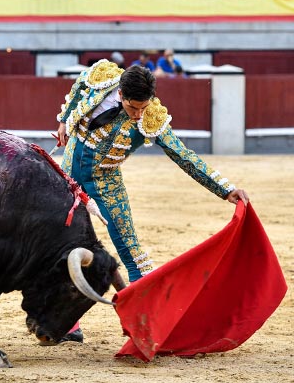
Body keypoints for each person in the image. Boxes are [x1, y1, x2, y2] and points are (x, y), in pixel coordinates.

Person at [55, 60, 249, 340]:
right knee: (62, 245)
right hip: (69, 173)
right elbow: (79, 86)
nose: (137, 116)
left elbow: (183, 155)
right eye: (133, 108)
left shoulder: (151, 117)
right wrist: (63, 121)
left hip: (105, 181)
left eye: (143, 108)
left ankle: (146, 324)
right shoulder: (104, 76)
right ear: (120, 94)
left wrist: (224, 189)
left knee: (132, 252)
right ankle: (66, 324)